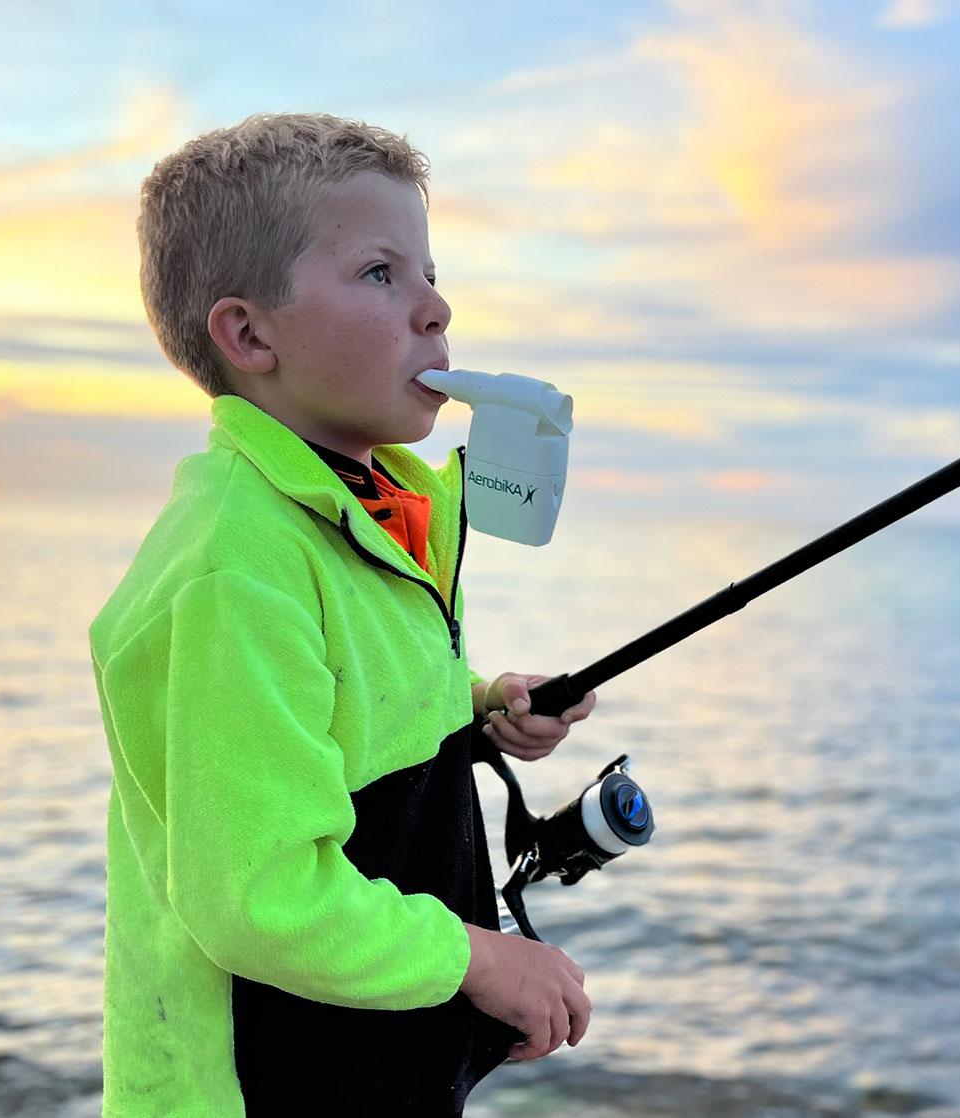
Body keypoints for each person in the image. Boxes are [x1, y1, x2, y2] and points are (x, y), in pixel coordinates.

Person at [88, 111, 596, 1117]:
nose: (436, 307)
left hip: (368, 1065)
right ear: (250, 335)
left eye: (429, 273)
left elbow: (349, 700)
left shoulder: (367, 510)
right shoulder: (238, 570)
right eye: (379, 273)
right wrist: (480, 959)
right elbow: (258, 895)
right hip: (261, 1088)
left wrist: (480, 704)